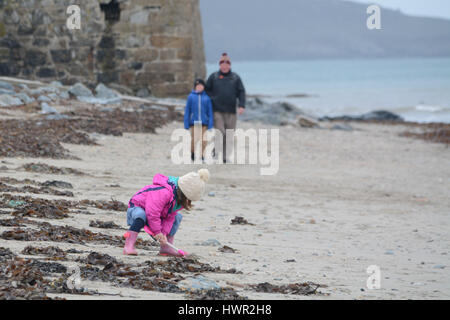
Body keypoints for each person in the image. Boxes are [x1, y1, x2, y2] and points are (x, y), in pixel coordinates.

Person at [123, 168, 210, 256]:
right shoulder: (163, 192)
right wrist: (157, 232)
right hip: (138, 207)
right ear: (184, 193)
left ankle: (166, 248)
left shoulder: (177, 201)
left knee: (177, 217)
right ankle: (128, 245)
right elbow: (152, 213)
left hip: (156, 214)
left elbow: (169, 218)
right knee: (141, 215)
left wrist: (163, 234)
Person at [206, 53, 246, 163]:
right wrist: (211, 99)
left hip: (231, 111)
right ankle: (215, 152)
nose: (224, 66)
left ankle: (225, 157)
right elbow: (207, 90)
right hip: (217, 110)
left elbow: (241, 92)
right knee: (221, 132)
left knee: (229, 135)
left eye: (227, 64)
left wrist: (241, 105)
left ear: (229, 65)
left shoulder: (235, 78)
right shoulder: (214, 77)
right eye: (222, 64)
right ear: (219, 65)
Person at [184, 79, 214, 161]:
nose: (199, 87)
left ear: (204, 87)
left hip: (204, 122)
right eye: (198, 86)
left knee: (204, 140)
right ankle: (192, 154)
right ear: (195, 87)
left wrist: (210, 123)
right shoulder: (191, 97)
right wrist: (186, 123)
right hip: (194, 122)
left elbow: (210, 112)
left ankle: (202, 156)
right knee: (194, 139)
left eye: (201, 86)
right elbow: (187, 111)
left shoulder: (207, 98)